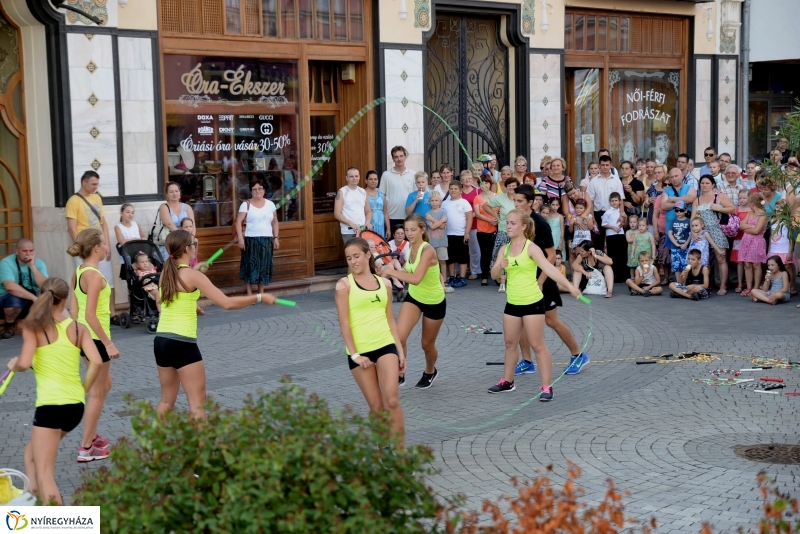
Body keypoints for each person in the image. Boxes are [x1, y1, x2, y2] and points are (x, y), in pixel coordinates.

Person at [154, 230, 277, 419]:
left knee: (166, 400)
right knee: (197, 401)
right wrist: (259, 297)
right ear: (187, 248)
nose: (196, 247)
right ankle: (203, 447)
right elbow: (227, 303)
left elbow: (166, 302)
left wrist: (196, 271)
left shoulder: (166, 274)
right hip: (182, 342)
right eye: (194, 244)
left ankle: (155, 447)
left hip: (161, 340)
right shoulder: (193, 277)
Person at [6, 278, 103, 505]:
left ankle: (56, 523)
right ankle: (34, 510)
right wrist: (83, 389)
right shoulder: (78, 328)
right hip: (74, 407)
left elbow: (25, 362)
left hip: (51, 408)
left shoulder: (34, 327)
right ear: (66, 299)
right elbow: (97, 362)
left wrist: (15, 364)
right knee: (30, 455)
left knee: (45, 472)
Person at [487, 209, 581, 399]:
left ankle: (546, 386)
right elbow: (494, 275)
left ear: (523, 226)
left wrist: (570, 285)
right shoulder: (503, 249)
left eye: (513, 223)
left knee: (537, 345)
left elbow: (549, 268)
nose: (509, 226)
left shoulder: (531, 248)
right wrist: (499, 266)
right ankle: (508, 381)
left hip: (532, 302)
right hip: (512, 303)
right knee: (510, 343)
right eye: (508, 223)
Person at [512, 185, 592, 375]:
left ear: (531, 203)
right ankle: (526, 361)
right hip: (523, 279)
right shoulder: (516, 220)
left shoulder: (539, 223)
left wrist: (540, 280)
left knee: (551, 320)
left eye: (520, 201)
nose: (516, 204)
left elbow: (550, 255)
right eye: (514, 200)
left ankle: (578, 355)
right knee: (520, 318)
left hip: (542, 279)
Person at [335, 238, 406, 447]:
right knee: (376, 407)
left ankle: (402, 456)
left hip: (386, 345)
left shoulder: (384, 284)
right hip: (360, 352)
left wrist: (400, 351)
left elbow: (390, 320)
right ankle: (384, 446)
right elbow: (344, 324)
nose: (353, 261)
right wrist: (356, 355)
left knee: (391, 400)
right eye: (349, 258)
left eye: (356, 256)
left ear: (367, 255)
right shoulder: (343, 285)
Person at [378, 214, 446, 389]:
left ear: (422, 230)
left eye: (413, 230)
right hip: (414, 297)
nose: (409, 233)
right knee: (399, 338)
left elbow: (415, 278)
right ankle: (400, 374)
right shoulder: (409, 247)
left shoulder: (428, 249)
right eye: (406, 230)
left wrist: (391, 272)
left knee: (427, 344)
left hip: (434, 301)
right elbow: (411, 270)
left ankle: (430, 371)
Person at [67, 228, 118, 462]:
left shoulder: (79, 271)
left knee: (105, 385)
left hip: (84, 338)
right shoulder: (94, 276)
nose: (107, 247)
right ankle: (86, 447)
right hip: (96, 340)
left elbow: (75, 309)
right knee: (98, 393)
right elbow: (90, 314)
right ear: (96, 248)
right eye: (105, 244)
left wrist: (76, 336)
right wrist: (108, 344)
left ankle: (92, 434)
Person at [66, 170, 117, 324]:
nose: (96, 187)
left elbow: (103, 223)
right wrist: (82, 248)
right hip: (85, 247)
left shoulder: (97, 198)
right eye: (94, 184)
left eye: (97, 184)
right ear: (84, 182)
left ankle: (112, 313)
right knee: (85, 279)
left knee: (108, 280)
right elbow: (72, 228)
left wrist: (106, 244)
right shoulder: (73, 201)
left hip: (100, 245)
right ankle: (85, 315)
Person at [692, 174, 734, 294]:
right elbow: (693, 218)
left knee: (721, 258)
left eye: (707, 183)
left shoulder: (719, 196)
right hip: (702, 232)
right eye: (702, 183)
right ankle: (706, 284)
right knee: (703, 259)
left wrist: (719, 208)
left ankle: (723, 286)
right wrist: (693, 231)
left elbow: (732, 209)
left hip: (717, 230)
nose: (704, 185)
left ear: (713, 184)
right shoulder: (697, 200)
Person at [236, 179, 279, 295]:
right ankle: (249, 293)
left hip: (266, 239)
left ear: (264, 190)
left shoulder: (270, 205)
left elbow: (275, 222)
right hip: (251, 239)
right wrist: (240, 238)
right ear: (251, 191)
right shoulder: (246, 205)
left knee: (264, 266)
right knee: (250, 265)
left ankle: (261, 293)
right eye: (254, 189)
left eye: (260, 188)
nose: (257, 191)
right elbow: (238, 222)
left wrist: (276, 238)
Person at [0, 239, 48, 339]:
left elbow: (45, 286)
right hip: (9, 296)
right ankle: (9, 325)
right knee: (14, 302)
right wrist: (33, 298)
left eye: (31, 251)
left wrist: (33, 267)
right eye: (25, 251)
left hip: (31, 295)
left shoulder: (39, 263)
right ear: (17, 252)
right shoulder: (6, 262)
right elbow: (10, 287)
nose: (28, 254)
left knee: (51, 295)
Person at [484, 177, 519, 292]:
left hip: (518, 233)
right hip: (504, 231)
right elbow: (485, 205)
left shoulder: (520, 198)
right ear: (505, 187)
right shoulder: (501, 198)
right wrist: (496, 216)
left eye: (514, 186)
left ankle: (513, 279)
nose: (511, 188)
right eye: (509, 186)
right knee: (501, 256)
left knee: (515, 256)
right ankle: (501, 281)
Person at [585, 155, 625, 250]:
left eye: (607, 165)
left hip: (614, 214)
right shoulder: (593, 182)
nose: (605, 167)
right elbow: (590, 201)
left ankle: (613, 264)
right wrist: (592, 217)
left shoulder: (616, 180)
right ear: (599, 166)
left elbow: (621, 199)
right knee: (599, 241)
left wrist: (622, 214)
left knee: (614, 241)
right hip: (599, 214)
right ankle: (598, 263)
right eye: (603, 165)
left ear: (611, 165)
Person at [443, 181, 473, 288]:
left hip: (461, 234)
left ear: (460, 191)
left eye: (455, 189)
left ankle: (462, 277)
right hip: (448, 234)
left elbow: (469, 218)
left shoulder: (464, 203)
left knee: (462, 257)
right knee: (450, 257)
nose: (453, 190)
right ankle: (452, 276)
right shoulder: (444, 203)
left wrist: (467, 233)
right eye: (451, 188)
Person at [156, 181, 196, 261]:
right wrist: (181, 239)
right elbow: (169, 224)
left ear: (180, 193)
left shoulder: (187, 207)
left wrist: (191, 238)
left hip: (186, 243)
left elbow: (193, 225)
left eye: (176, 191)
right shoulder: (164, 207)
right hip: (171, 243)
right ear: (167, 194)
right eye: (171, 192)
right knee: (172, 268)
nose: (174, 194)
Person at [738, 193, 768, 296]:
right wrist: (752, 227)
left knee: (756, 264)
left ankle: (755, 287)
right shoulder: (750, 213)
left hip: (757, 241)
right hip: (746, 240)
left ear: (752, 203)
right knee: (747, 264)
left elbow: (757, 231)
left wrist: (749, 227)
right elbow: (741, 225)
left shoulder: (763, 214)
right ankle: (749, 287)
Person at [379, 146, 415, 230]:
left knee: (408, 243)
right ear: (393, 159)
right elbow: (382, 196)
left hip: (409, 217)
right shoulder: (386, 175)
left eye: (401, 156)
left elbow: (418, 193)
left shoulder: (413, 174)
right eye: (396, 157)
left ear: (405, 157)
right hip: (391, 217)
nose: (399, 159)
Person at [334, 167, 371, 243]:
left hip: (362, 231)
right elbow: (337, 214)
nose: (354, 178)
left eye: (356, 176)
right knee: (351, 253)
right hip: (348, 232)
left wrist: (368, 222)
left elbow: (368, 211)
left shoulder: (363, 192)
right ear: (347, 178)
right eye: (351, 176)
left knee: (363, 253)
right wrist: (351, 224)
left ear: (359, 177)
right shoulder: (342, 192)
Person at [474, 177, 498, 286]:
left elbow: (501, 211)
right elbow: (478, 214)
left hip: (495, 229)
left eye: (486, 183)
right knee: (485, 253)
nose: (484, 185)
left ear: (490, 184)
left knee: (496, 253)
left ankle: (497, 276)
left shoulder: (496, 196)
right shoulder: (477, 198)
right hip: (482, 230)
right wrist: (490, 220)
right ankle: (484, 276)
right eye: (482, 183)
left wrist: (496, 220)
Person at [425, 192, 449, 291]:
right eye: (432, 201)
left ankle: (444, 280)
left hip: (442, 241)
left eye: (436, 200)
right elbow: (432, 227)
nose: (434, 203)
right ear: (429, 202)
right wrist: (441, 220)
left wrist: (433, 220)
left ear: (440, 202)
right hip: (431, 242)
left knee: (442, 261)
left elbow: (442, 227)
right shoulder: (427, 214)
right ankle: (434, 280)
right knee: (432, 262)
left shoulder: (443, 212)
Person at [459, 170, 481, 280]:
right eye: (464, 178)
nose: (467, 180)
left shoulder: (478, 191)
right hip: (460, 224)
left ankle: (475, 270)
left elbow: (481, 205)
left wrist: (471, 215)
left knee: (474, 249)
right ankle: (460, 271)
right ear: (461, 180)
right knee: (461, 249)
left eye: (469, 178)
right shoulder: (458, 192)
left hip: (474, 223)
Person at [602, 192, 628, 283]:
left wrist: (625, 219)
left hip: (620, 235)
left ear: (619, 202)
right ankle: (614, 275)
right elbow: (604, 224)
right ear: (610, 202)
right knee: (613, 255)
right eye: (612, 201)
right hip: (611, 236)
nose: (614, 202)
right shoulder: (607, 212)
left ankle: (623, 275)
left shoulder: (621, 212)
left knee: (622, 255)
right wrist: (613, 227)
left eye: (616, 200)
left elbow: (625, 224)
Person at [732, 190, 750, 293]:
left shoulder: (751, 210)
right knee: (739, 261)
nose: (742, 200)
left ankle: (748, 283)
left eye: (744, 198)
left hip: (749, 236)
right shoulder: (736, 209)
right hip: (738, 237)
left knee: (749, 260)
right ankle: (739, 283)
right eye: (740, 198)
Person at [667, 201, 692, 275]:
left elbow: (691, 234)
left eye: (681, 210)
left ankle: (684, 283)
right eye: (676, 210)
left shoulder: (689, 221)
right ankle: (678, 284)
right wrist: (676, 244)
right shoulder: (673, 221)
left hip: (686, 247)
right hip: (675, 247)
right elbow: (670, 233)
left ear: (686, 210)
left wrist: (686, 244)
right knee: (676, 267)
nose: (679, 212)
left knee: (686, 266)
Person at [365, 170, 390, 239]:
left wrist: (388, 228)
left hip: (380, 226)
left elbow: (385, 213)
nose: (373, 181)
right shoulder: (362, 194)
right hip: (367, 225)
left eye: (375, 179)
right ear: (366, 181)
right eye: (371, 179)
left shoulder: (381, 195)